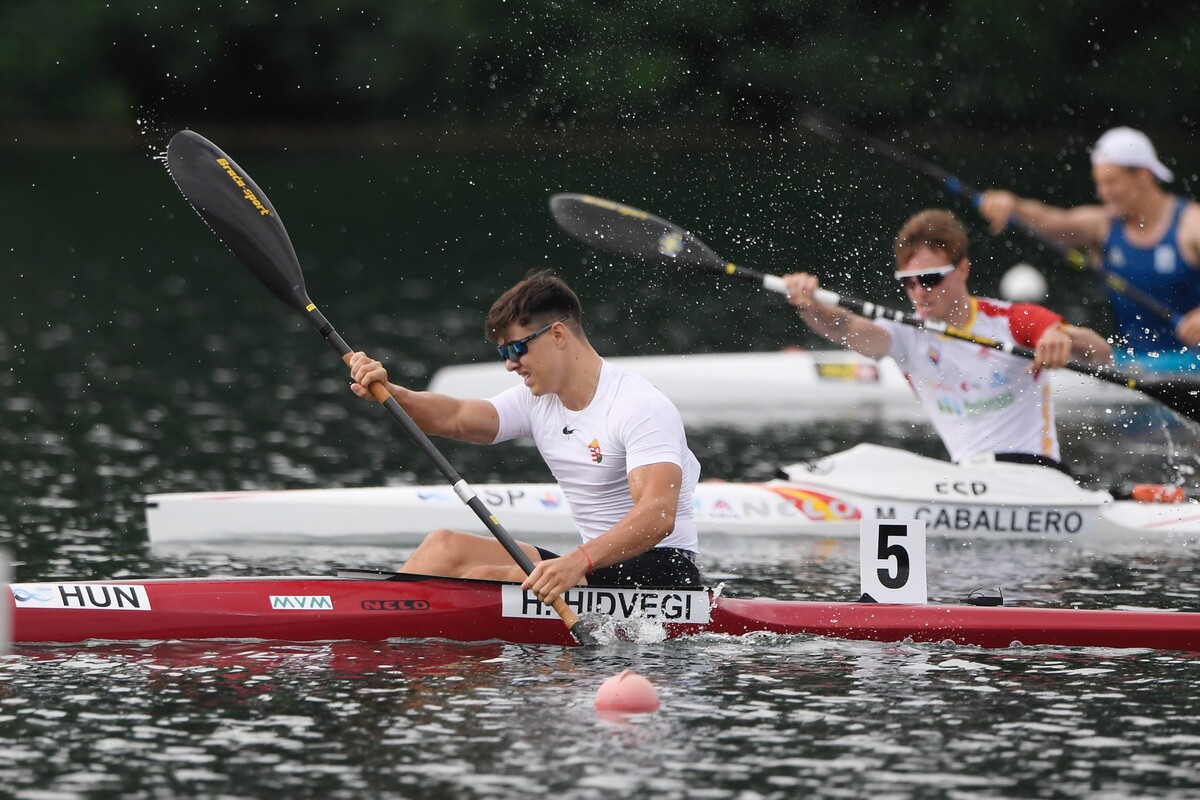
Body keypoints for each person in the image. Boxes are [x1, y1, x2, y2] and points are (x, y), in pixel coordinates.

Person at [346, 271, 702, 605]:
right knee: (444, 546)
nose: (510, 365)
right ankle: (371, 612)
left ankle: (392, 628)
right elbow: (454, 417)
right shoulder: (537, 400)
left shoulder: (638, 405)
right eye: (503, 353)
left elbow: (657, 514)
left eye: (515, 349)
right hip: (592, 565)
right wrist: (390, 391)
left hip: (662, 572)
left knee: (484, 578)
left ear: (558, 335)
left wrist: (578, 561)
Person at [783, 209, 1112, 467]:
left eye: (929, 279)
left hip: (1036, 477)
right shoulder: (905, 336)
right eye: (909, 283)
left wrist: (1058, 338)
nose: (919, 293)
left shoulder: (1010, 320)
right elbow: (844, 329)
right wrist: (809, 307)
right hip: (969, 481)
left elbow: (1100, 353)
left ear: (963, 269)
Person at [978, 126, 1200, 353]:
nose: (1103, 193)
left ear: (1143, 174)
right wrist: (1013, 205)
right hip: (1134, 365)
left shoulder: (1192, 224)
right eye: (1099, 183)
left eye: (1112, 182)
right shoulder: (1102, 225)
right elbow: (1053, 221)